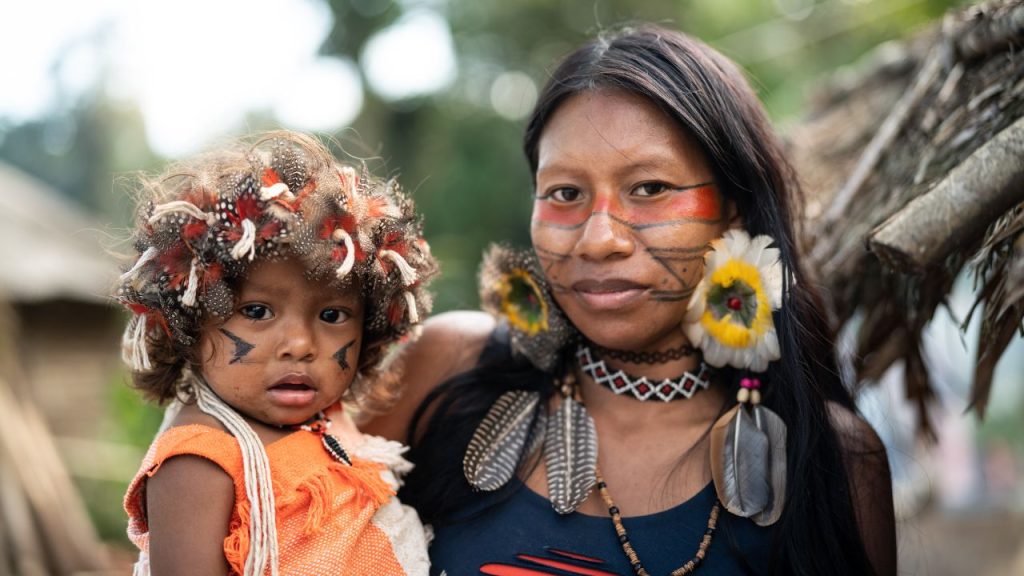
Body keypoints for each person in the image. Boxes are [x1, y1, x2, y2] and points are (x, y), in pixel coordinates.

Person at [364, 24, 897, 576]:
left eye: (649, 189)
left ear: (734, 207)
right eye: (565, 194)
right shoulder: (449, 366)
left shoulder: (836, 461)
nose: (599, 240)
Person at [116, 131, 436, 575]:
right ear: (189, 324)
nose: (300, 346)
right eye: (258, 310)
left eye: (332, 315)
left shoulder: (328, 417)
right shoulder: (199, 462)